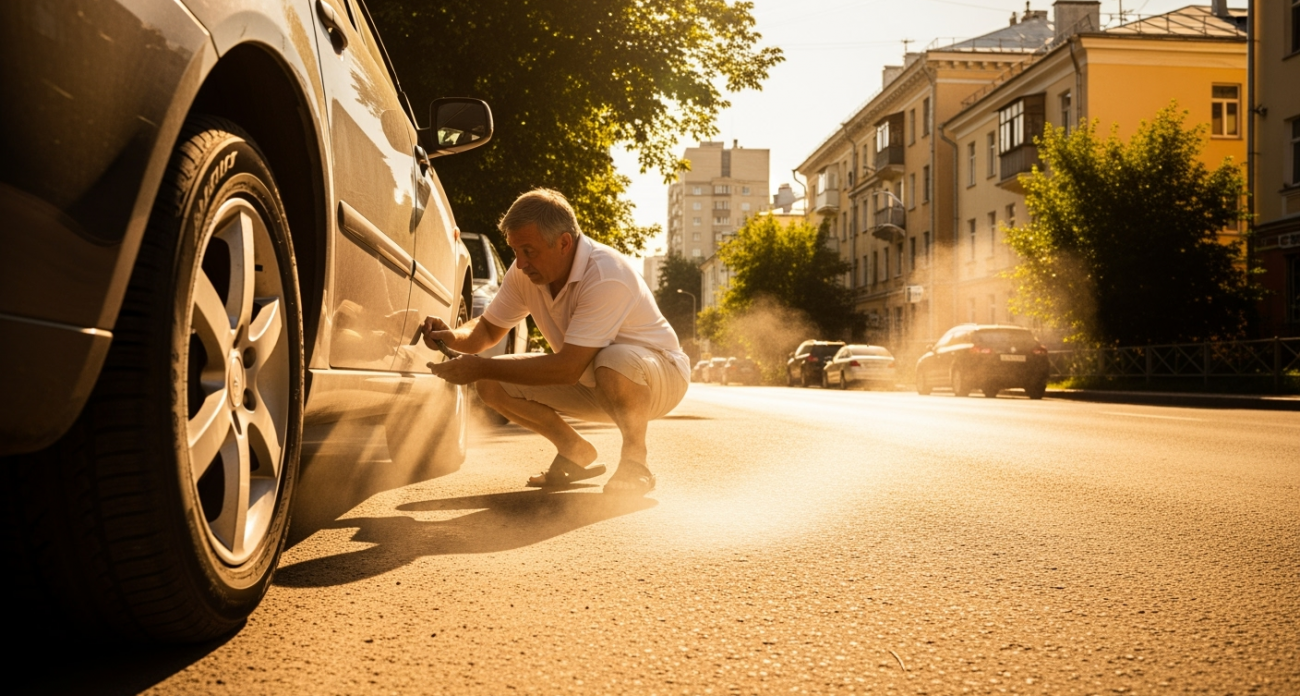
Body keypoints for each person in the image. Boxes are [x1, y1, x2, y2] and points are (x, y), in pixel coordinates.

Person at [420, 189, 690, 495]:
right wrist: (451, 336)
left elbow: (567, 368)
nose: (520, 263)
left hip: (659, 379)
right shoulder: (524, 274)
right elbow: (486, 331)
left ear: (564, 243)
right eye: (515, 251)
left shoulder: (606, 274)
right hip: (593, 381)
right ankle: (574, 451)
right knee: (491, 383)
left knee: (614, 360)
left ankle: (635, 462)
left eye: (528, 251)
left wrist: (479, 367)